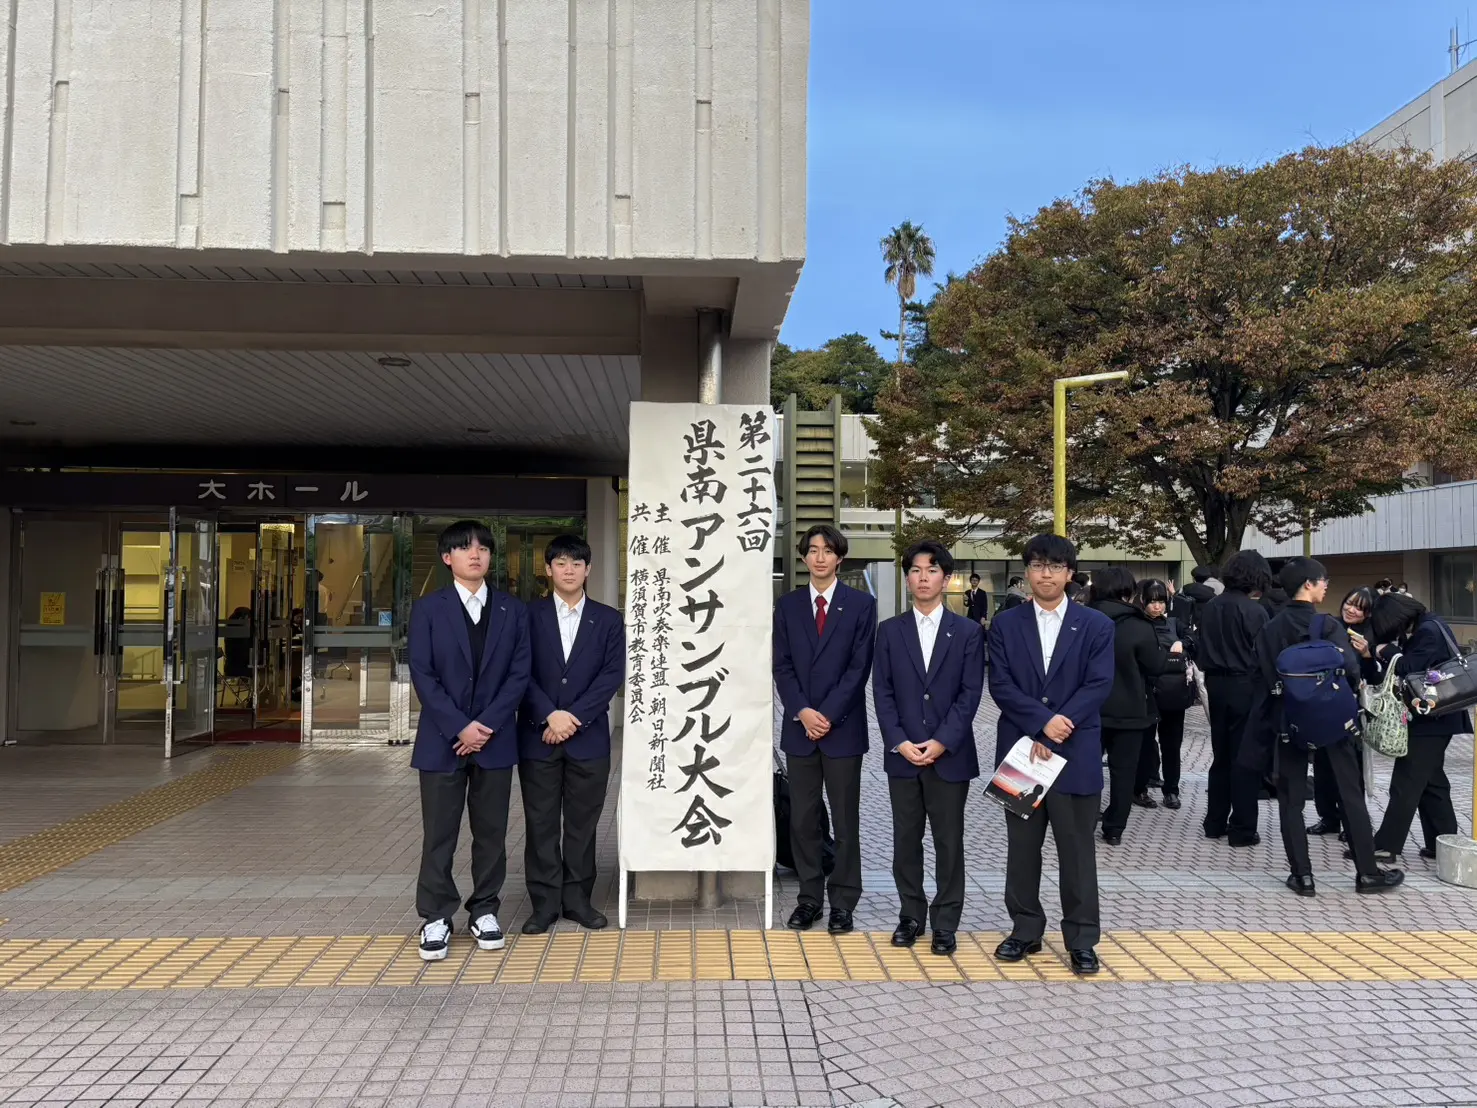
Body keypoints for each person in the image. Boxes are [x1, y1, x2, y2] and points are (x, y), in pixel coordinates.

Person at [987, 534, 1115, 976]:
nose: (1046, 574)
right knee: (1022, 850)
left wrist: (1060, 724)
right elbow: (1001, 686)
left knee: (1077, 852)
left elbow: (1098, 684)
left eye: (1055, 566)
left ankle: (1081, 938)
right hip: (1022, 752)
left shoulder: (1096, 625)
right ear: (1027, 572)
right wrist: (1041, 722)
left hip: (1076, 751)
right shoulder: (1005, 624)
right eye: (1038, 565)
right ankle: (1025, 930)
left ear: (1069, 574)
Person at [1242, 558, 1403, 897]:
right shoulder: (1327, 626)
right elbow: (1350, 669)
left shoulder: (1270, 628)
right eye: (1322, 580)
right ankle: (1367, 873)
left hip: (1289, 721)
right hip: (1333, 721)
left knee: (1291, 800)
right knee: (1350, 793)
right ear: (1308, 585)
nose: (1326, 585)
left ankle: (1302, 876)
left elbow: (1260, 676)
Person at [408, 521, 532, 961]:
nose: (474, 554)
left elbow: (520, 674)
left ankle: (485, 909)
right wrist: (460, 726)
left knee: (492, 832)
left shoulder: (512, 611)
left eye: (482, 548)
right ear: (448, 558)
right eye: (464, 548)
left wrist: (486, 726)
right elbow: (422, 673)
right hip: (442, 741)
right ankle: (436, 915)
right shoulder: (428, 609)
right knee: (439, 834)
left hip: (494, 742)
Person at [873, 540, 985, 956]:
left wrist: (941, 741)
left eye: (932, 570)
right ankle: (911, 915)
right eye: (916, 570)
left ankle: (945, 922)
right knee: (906, 840)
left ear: (946, 578)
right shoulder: (889, 630)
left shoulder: (968, 632)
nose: (923, 577)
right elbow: (882, 692)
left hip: (949, 756)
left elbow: (970, 693)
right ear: (907, 577)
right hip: (902, 756)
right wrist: (899, 741)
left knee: (948, 841)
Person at [516, 535, 624, 934]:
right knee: (540, 823)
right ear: (548, 570)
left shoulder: (609, 619)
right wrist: (548, 715)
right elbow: (518, 672)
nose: (569, 570)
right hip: (536, 736)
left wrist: (571, 718)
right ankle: (543, 903)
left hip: (588, 739)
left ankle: (578, 900)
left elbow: (611, 675)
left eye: (577, 564)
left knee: (582, 824)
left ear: (588, 569)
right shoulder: (526, 616)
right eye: (560, 563)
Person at [773, 524, 878, 934]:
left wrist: (827, 715)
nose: (819, 557)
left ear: (839, 557)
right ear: (803, 558)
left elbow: (858, 668)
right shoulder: (789, 605)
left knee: (845, 817)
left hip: (842, 729)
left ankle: (843, 902)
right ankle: (809, 899)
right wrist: (802, 710)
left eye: (827, 550)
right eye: (812, 550)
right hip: (800, 729)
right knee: (803, 819)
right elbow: (781, 665)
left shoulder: (860, 605)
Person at [1365, 591, 1466, 861]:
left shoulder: (1428, 631)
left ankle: (1386, 846)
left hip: (1432, 718)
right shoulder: (1431, 624)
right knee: (1432, 784)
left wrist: (1383, 650)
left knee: (1405, 783)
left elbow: (1410, 667)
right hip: (1440, 718)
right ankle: (1443, 844)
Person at [1089, 567, 1182, 845]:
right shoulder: (1139, 625)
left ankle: (1085, 816)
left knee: (1088, 765)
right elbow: (1154, 666)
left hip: (1086, 710)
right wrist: (1173, 657)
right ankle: (1114, 828)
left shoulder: (1080, 621)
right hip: (1130, 710)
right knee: (1124, 771)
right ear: (1129, 593)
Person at [1197, 550, 1271, 847]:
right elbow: (1264, 654)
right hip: (1245, 685)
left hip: (1215, 684)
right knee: (1245, 758)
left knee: (1222, 754)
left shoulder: (1211, 607)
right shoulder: (1256, 611)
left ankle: (1214, 820)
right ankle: (1242, 827)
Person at [1307, 586, 1376, 841]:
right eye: (1349, 603)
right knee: (1323, 766)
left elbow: (1375, 677)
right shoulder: (1330, 627)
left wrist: (1367, 655)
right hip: (1324, 705)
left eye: (1359, 608)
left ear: (1368, 614)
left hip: (1352, 709)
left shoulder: (1370, 636)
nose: (1351, 610)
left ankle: (1353, 824)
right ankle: (1328, 818)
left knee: (1350, 770)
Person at [1137, 578, 1196, 811]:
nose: (1157, 606)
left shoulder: (1175, 624)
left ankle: (1171, 790)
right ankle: (1140, 787)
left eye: (1161, 601)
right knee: (1144, 743)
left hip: (1173, 695)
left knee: (1172, 745)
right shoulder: (1138, 624)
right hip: (1146, 693)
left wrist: (1183, 642)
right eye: (1152, 601)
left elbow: (1195, 641)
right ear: (1143, 601)